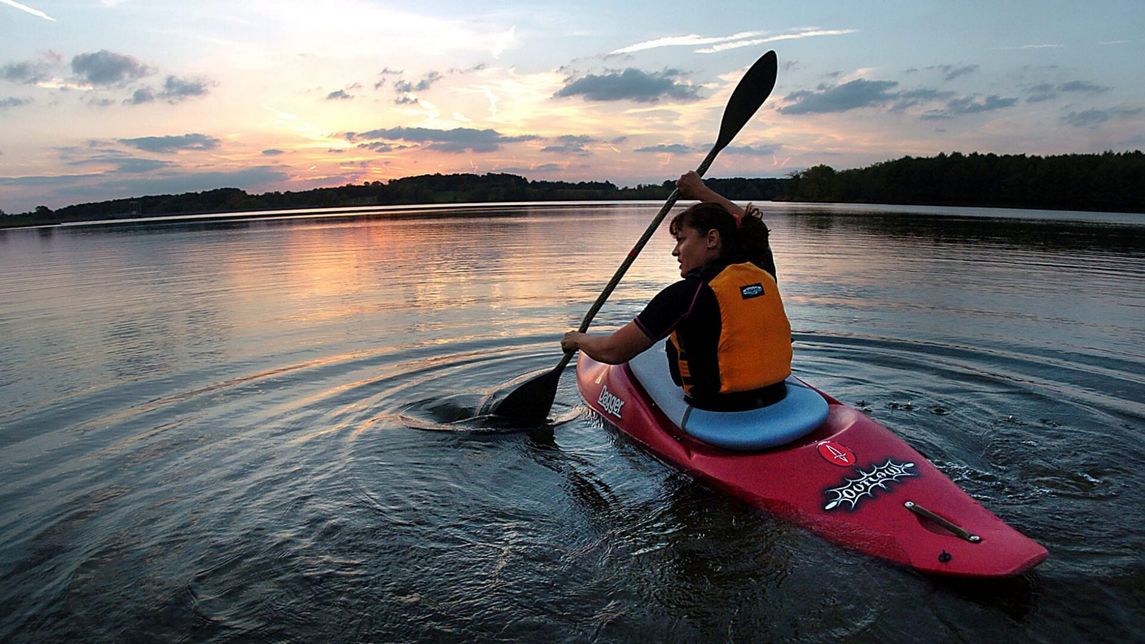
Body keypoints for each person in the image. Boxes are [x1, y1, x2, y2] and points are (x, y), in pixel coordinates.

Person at [560, 171, 792, 411]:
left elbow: (614, 351)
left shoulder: (686, 294)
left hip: (718, 408)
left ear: (711, 239)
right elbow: (754, 227)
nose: (675, 251)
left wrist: (578, 340)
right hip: (776, 395)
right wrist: (701, 191)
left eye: (681, 239)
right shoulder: (762, 269)